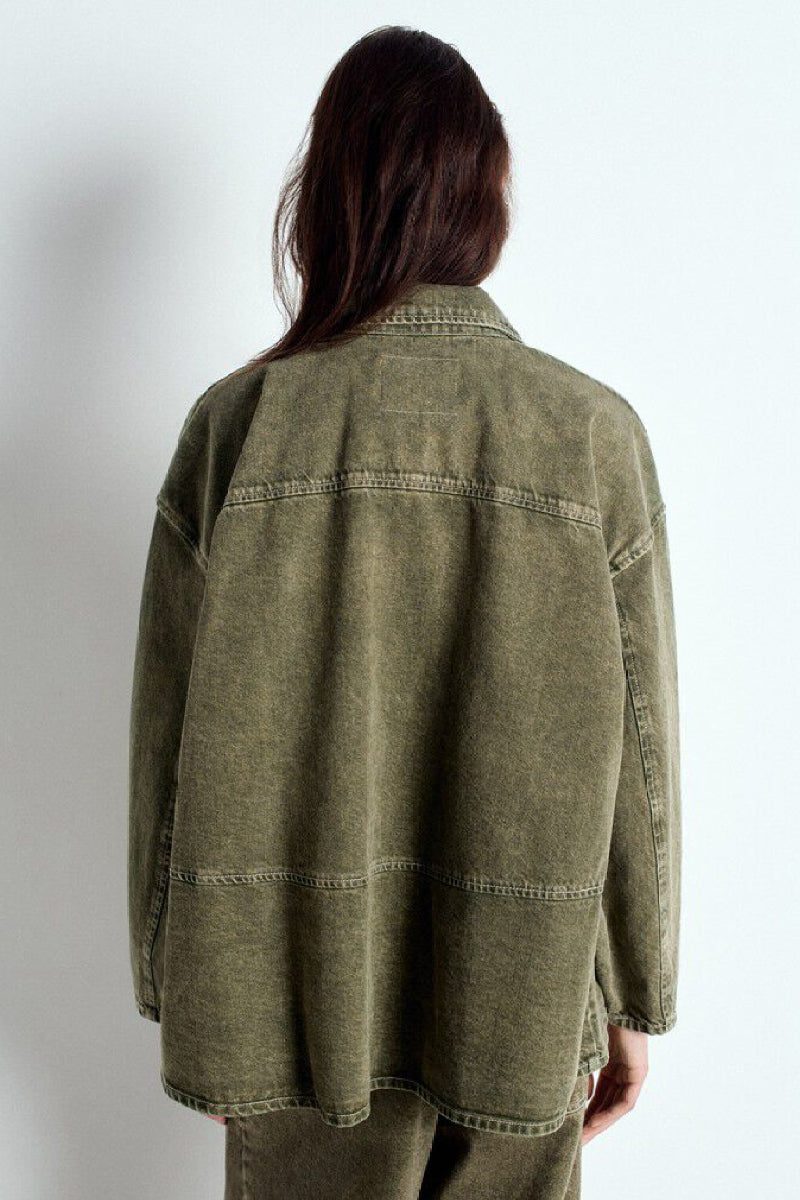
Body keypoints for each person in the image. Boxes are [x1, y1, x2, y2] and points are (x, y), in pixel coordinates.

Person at [127, 25, 681, 1200]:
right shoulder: (589, 435)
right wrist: (631, 994)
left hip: (293, 1000)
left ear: (324, 200)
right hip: (526, 987)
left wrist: (194, 993)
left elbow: (166, 747)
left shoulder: (238, 427)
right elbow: (643, 749)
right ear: (485, 198)